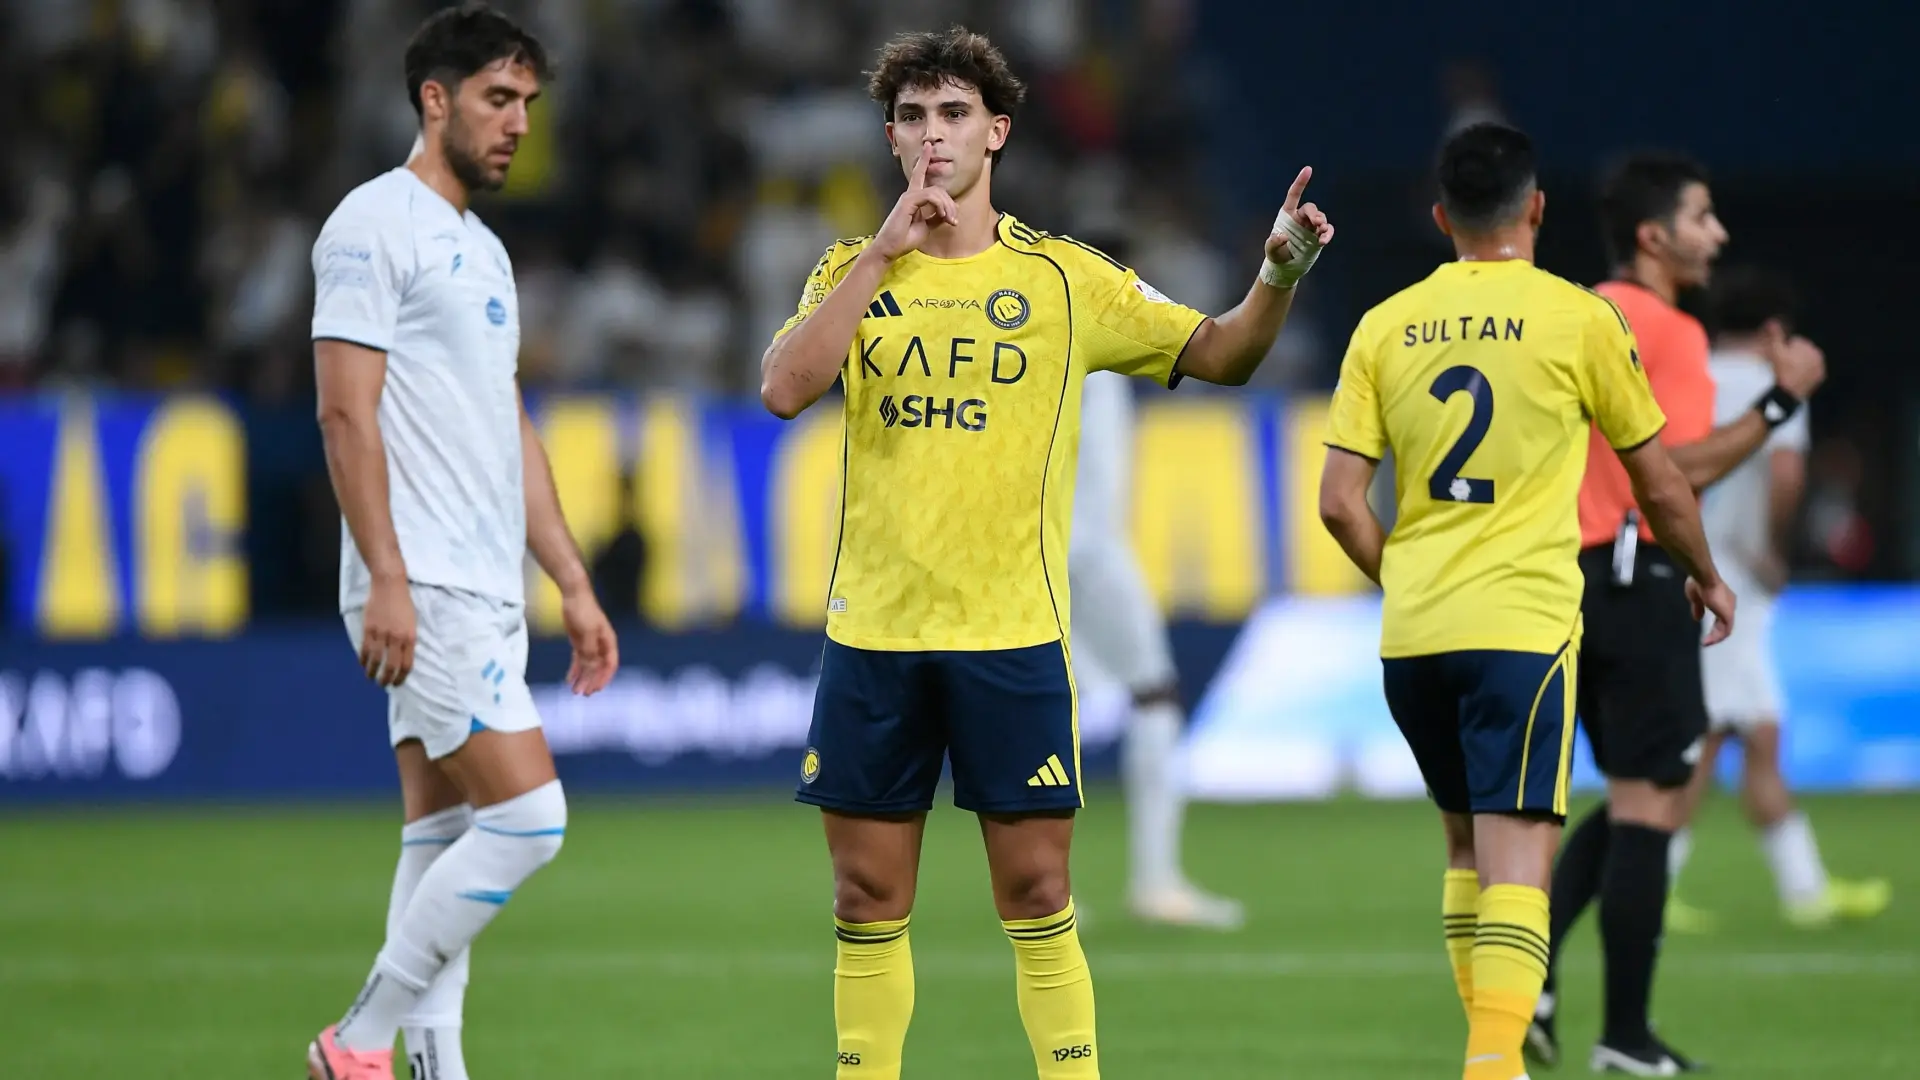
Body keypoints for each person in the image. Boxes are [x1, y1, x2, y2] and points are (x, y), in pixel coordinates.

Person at [758, 26, 1331, 1079]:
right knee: (865, 898)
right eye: (914, 117)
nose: (934, 135)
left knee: (1036, 894)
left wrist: (1277, 275)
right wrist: (881, 255)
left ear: (999, 132)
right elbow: (784, 389)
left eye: (955, 113)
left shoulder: (1066, 280)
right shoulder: (849, 270)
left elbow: (1221, 353)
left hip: (1011, 635)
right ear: (891, 139)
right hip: (874, 636)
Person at [1317, 122, 1732, 1080]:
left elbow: (1339, 503)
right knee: (1518, 860)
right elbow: (1659, 482)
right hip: (1521, 628)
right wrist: (1706, 573)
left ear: (1441, 218)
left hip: (1415, 634)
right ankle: (1494, 1066)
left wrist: (1409, 579)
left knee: (1464, 848)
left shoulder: (1384, 324)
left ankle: (1491, 1052)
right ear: (1537, 208)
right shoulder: (1579, 318)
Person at [304, 7, 618, 1080]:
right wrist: (387, 577)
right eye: (497, 98)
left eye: (527, 101)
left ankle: (434, 1069)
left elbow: (506, 424)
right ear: (434, 100)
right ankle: (357, 1039)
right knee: (530, 818)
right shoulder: (371, 225)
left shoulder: (483, 252)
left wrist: (570, 581)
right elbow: (343, 412)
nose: (519, 122)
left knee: (440, 834)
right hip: (422, 580)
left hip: (482, 585)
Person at [1527, 153, 1825, 1075]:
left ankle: (1536, 983)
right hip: (1635, 571)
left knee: (1626, 798)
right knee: (1654, 804)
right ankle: (1623, 1034)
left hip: (1559, 577)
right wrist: (1781, 400)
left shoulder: (1574, 311)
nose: (1718, 234)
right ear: (1654, 237)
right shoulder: (1667, 328)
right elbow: (1677, 467)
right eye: (1702, 216)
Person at [1664, 266, 1890, 931]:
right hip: (1736, 583)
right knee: (1712, 737)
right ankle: (1655, 883)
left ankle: (1805, 888)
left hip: (1688, 568)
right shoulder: (1775, 383)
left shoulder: (1693, 375)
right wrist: (1772, 548)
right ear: (1773, 330)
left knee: (1758, 735)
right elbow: (1786, 473)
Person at [1068, 234, 1243, 930]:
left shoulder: (1047, 336)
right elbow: (1215, 348)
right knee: (1152, 696)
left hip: (1048, 550)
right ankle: (1154, 881)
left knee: (1053, 706)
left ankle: (1048, 890)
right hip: (1087, 552)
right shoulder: (1092, 344)